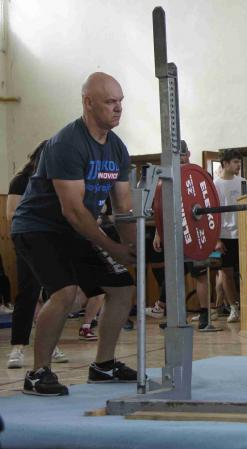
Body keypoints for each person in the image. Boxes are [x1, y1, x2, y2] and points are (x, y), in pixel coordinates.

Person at [11, 72, 138, 396]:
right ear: (88, 102)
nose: (118, 108)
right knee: (65, 292)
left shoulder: (117, 149)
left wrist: (131, 246)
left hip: (77, 229)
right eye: (110, 102)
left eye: (120, 101)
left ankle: (103, 366)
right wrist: (112, 246)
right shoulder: (67, 143)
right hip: (38, 228)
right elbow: (73, 210)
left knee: (122, 288)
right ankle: (38, 373)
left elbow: (123, 205)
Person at [6, 142, 69, 368]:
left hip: (53, 240)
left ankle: (51, 345)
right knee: (28, 292)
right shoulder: (21, 180)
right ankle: (18, 347)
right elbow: (11, 213)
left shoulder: (56, 180)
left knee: (56, 294)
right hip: (29, 239)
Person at [146, 142, 216, 331]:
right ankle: (176, 317)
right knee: (174, 274)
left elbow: (210, 208)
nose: (180, 158)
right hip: (175, 235)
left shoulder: (200, 176)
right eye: (177, 155)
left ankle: (204, 316)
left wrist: (213, 238)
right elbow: (161, 208)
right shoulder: (168, 178)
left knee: (200, 275)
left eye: (183, 154)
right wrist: (158, 233)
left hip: (197, 233)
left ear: (189, 153)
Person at [213, 149, 247, 323]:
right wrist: (216, 239)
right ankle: (233, 308)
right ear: (225, 163)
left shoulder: (243, 182)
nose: (238, 165)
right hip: (224, 235)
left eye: (239, 162)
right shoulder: (215, 185)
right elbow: (212, 214)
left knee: (245, 271)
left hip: (243, 233)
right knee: (226, 273)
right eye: (235, 162)